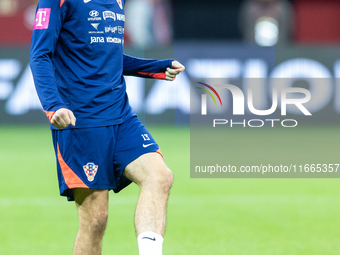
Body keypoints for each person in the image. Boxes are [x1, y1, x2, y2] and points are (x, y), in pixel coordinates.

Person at [29, 0, 185, 255]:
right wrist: (53, 105)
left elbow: (108, 57)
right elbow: (40, 54)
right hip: (81, 121)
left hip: (120, 115)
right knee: (95, 220)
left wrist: (155, 68)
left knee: (160, 176)